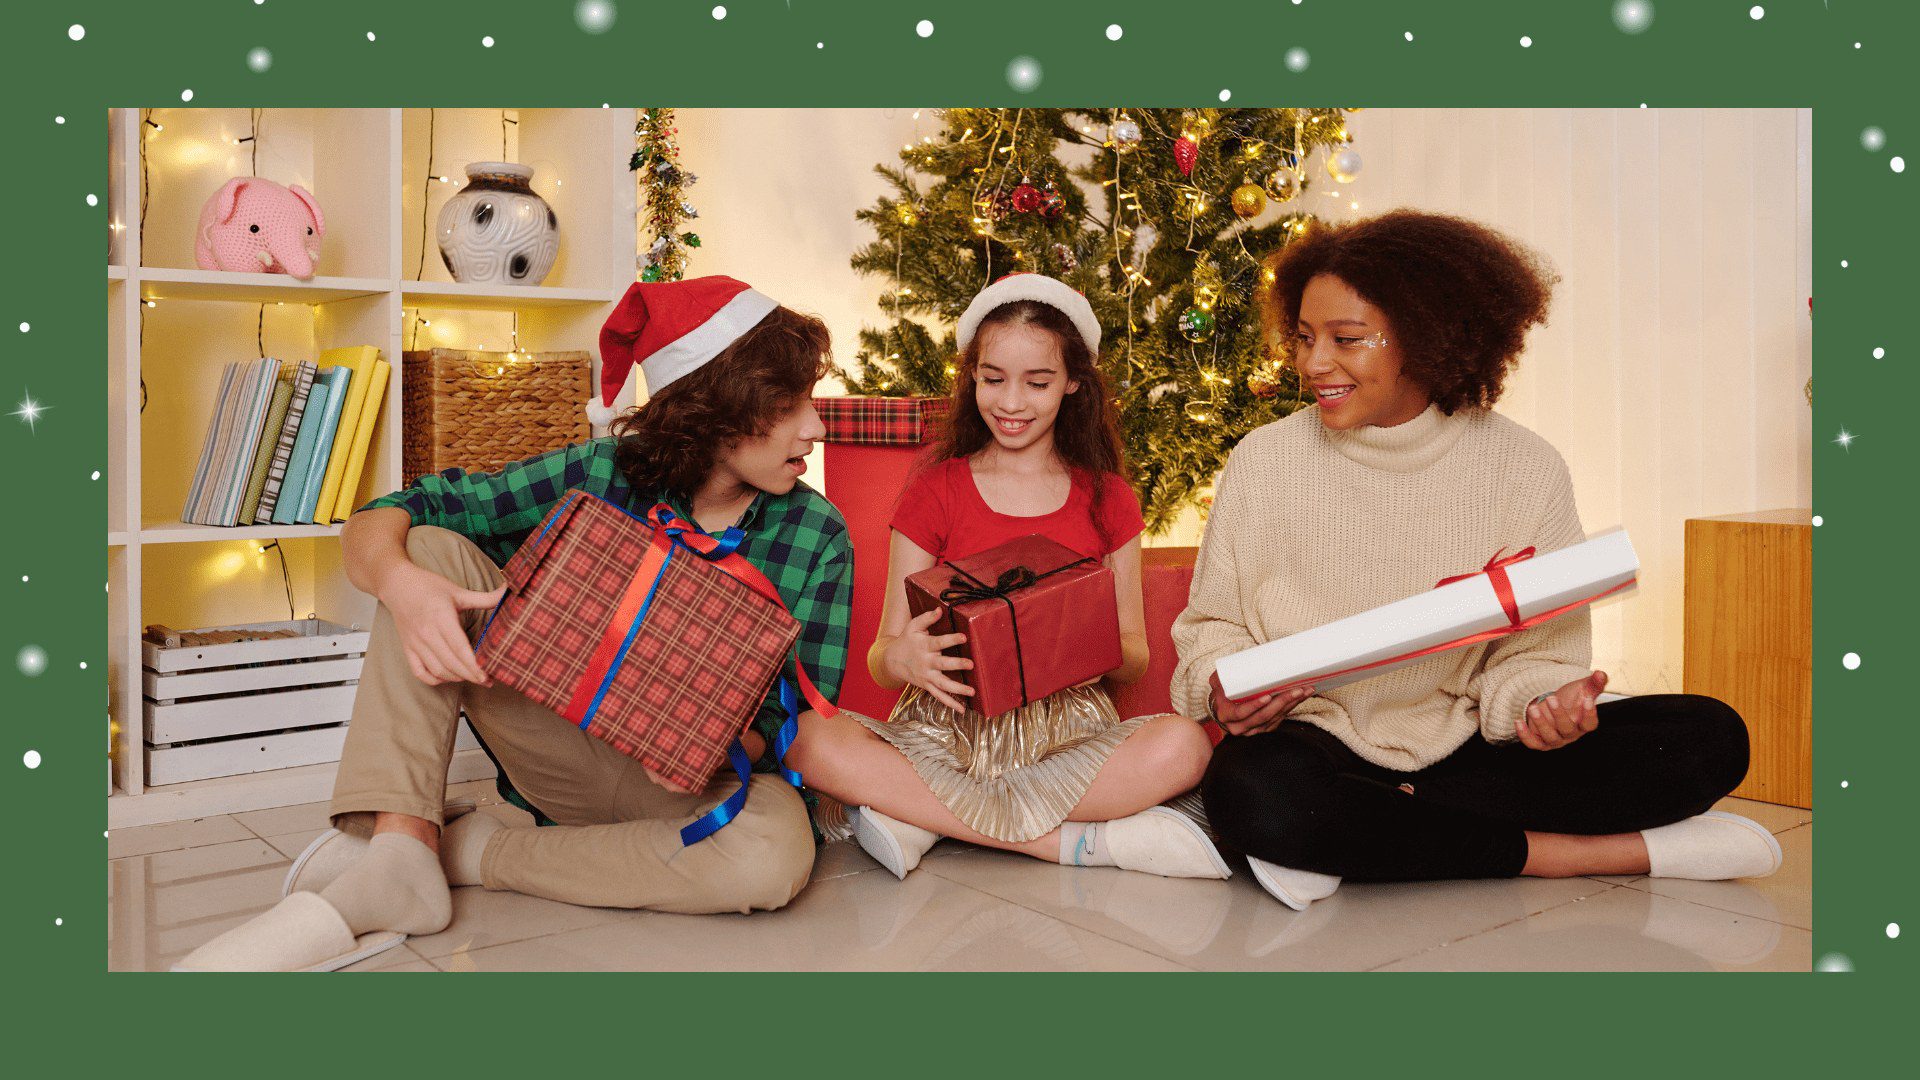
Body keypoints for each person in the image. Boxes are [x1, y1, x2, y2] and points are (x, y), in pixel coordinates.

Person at [176, 276, 852, 970]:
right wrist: (401, 583)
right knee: (431, 550)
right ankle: (402, 839)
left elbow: (796, 728)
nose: (815, 427)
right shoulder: (604, 473)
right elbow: (388, 514)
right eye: (785, 405)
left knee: (772, 856)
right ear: (714, 408)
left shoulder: (818, 534)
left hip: (686, 789)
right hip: (562, 749)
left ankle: (455, 854)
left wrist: (708, 727)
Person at [1173, 211, 1779, 911]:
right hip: (1315, 741)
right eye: (1304, 338)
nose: (1313, 364)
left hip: (1468, 743)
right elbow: (1210, 627)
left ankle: (1372, 829)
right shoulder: (1265, 462)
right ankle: (1587, 853)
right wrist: (1224, 690)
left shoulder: (1525, 467)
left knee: (1710, 736)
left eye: (1346, 340)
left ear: (1426, 339)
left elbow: (1537, 659)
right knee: (1251, 791)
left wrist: (1544, 707)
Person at [788, 273, 1225, 881]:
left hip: (1067, 737)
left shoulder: (1110, 499)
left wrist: (1078, 645)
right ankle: (1076, 843)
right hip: (946, 735)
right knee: (810, 739)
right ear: (972, 378)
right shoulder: (935, 491)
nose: (1011, 403)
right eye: (993, 379)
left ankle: (923, 819)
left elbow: (1135, 660)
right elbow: (882, 654)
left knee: (1185, 747)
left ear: (1073, 383)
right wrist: (904, 660)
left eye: (1037, 382)